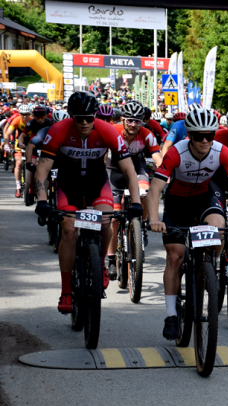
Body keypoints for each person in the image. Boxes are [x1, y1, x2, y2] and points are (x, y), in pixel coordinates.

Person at [147, 108, 228, 340]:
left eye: (210, 135)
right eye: (199, 136)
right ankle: (171, 315)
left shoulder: (222, 151)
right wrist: (153, 218)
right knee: (175, 256)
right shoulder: (176, 152)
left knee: (218, 233)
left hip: (203, 197)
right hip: (177, 201)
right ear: (190, 135)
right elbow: (156, 187)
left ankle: (205, 269)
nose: (205, 140)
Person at [33, 91, 142, 313]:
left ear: (95, 116)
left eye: (89, 117)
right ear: (70, 115)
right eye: (79, 117)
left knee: (105, 222)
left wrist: (137, 203)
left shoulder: (107, 130)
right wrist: (42, 201)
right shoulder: (58, 130)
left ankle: (99, 263)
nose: (84, 122)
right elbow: (42, 168)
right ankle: (66, 291)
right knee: (69, 231)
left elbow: (130, 170)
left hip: (96, 183)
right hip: (68, 184)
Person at [105, 101, 163, 280]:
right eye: (130, 121)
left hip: (137, 170)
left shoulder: (147, 134)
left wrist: (165, 173)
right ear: (122, 119)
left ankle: (141, 226)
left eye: (138, 121)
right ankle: (112, 259)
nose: (133, 125)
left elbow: (157, 156)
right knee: (114, 218)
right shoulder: (112, 131)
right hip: (113, 171)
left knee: (145, 192)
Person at [3, 104, 31, 197]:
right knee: (18, 163)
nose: (24, 116)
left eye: (26, 114)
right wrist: (6, 144)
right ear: (19, 113)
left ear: (30, 114)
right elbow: (7, 133)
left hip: (31, 144)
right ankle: (18, 187)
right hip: (18, 143)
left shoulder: (33, 121)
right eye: (22, 114)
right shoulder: (16, 120)